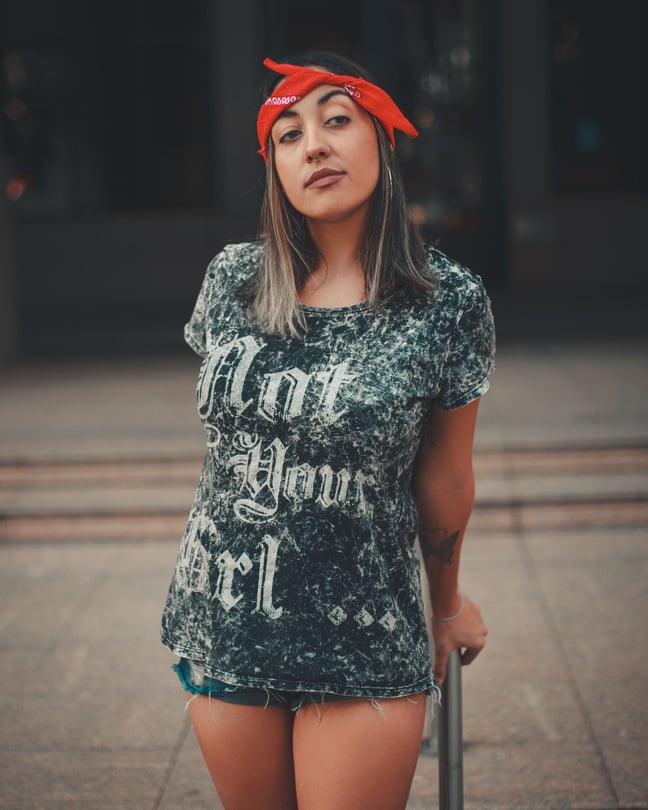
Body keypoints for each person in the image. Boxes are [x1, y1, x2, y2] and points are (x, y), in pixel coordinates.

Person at [161, 50, 494, 810]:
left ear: (382, 141)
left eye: (336, 121)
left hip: (363, 634)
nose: (313, 145)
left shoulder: (446, 303)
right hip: (225, 621)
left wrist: (444, 606)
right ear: (274, 168)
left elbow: (444, 476)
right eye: (288, 135)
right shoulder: (232, 282)